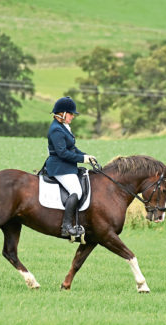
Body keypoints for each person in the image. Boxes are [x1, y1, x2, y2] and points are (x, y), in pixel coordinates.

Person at [46, 96, 96, 237]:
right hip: (59, 167)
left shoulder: (63, 127)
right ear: (62, 114)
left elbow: (72, 148)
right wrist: (82, 159)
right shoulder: (56, 129)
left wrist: (87, 156)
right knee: (76, 191)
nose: (73, 116)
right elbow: (62, 153)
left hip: (67, 166)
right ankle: (66, 226)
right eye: (71, 114)